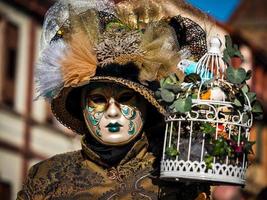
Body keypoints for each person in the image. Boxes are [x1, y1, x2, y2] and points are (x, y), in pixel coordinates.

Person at [17, 0, 211, 199]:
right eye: (98, 99)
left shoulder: (177, 174)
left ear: (147, 103)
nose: (112, 112)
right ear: (81, 105)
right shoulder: (46, 177)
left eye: (126, 98)